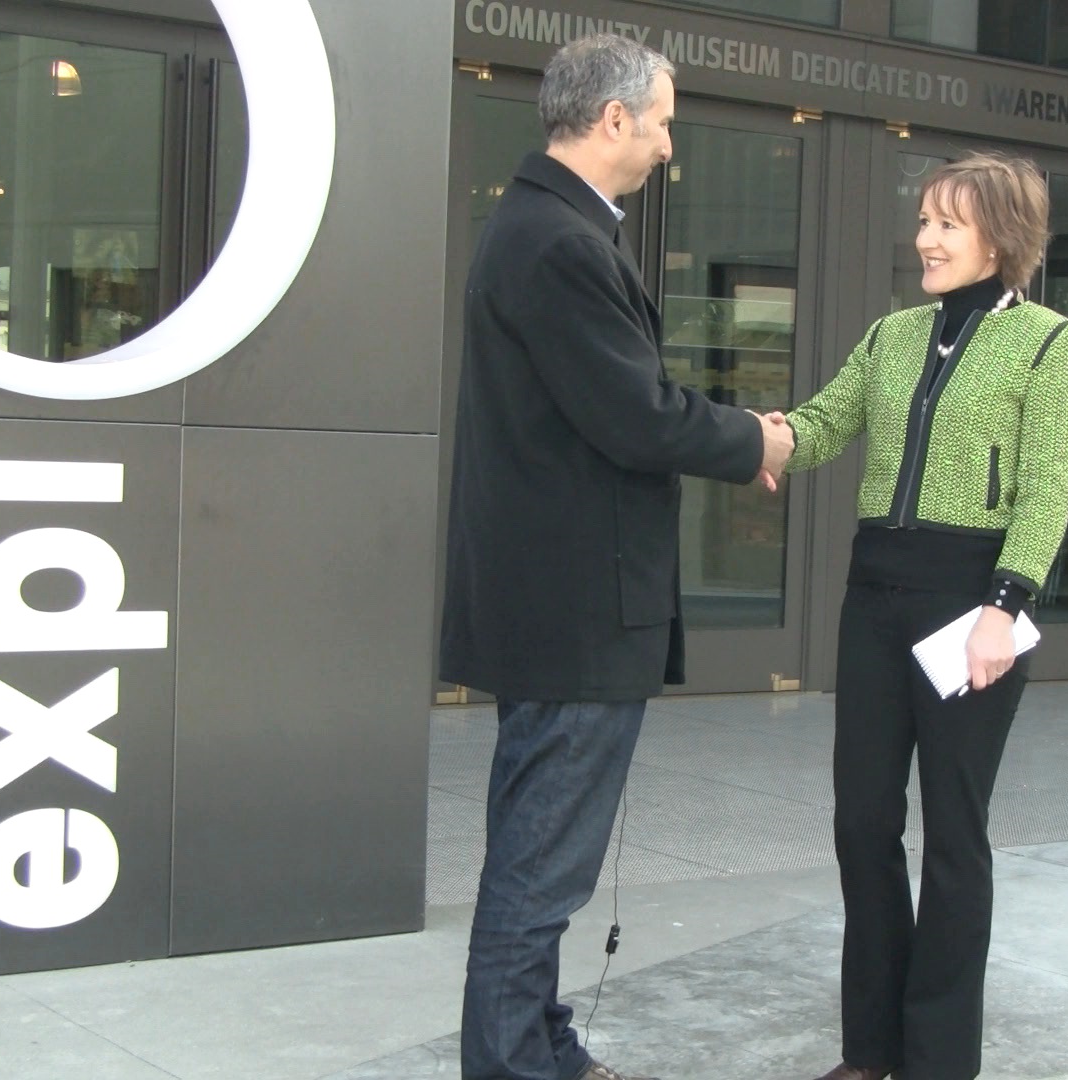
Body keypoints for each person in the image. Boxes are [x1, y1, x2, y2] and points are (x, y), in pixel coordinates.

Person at [439, 34, 794, 1080]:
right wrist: (755, 440)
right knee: (540, 869)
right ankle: (511, 1063)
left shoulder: (544, 228)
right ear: (612, 120)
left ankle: (541, 1042)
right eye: (664, 121)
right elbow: (633, 417)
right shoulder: (557, 242)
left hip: (559, 607)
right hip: (578, 614)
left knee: (539, 854)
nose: (669, 145)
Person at [767, 152, 1068, 1080]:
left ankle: (939, 1058)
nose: (925, 238)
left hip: (971, 606)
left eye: (947, 222)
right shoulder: (892, 334)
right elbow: (825, 423)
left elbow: (1046, 490)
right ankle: (870, 1050)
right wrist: (758, 438)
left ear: (1001, 233)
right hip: (874, 600)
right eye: (924, 221)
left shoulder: (1050, 343)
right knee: (861, 823)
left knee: (954, 832)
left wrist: (1005, 604)